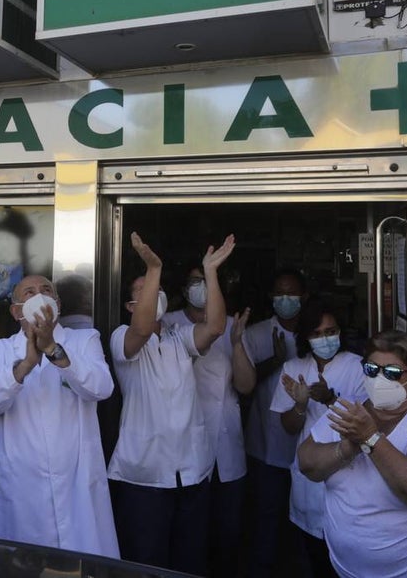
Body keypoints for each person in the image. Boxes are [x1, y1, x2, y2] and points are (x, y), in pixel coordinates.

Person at [108, 233, 234, 575]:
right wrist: (153, 268)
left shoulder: (180, 340)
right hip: (144, 479)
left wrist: (210, 272)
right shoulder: (122, 338)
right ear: (131, 306)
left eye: (159, 287)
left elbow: (217, 327)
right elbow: (143, 327)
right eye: (145, 289)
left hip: (192, 473)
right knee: (146, 564)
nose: (155, 291)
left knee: (189, 563)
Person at [297, 331, 407, 578]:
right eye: (371, 369)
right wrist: (347, 447)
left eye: (392, 373)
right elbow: (307, 464)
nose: (379, 379)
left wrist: (371, 438)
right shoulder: (348, 410)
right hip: (343, 570)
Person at [0, 274, 117, 557]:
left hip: (76, 486)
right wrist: (25, 365)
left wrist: (53, 350)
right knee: (24, 564)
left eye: (46, 290)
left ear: (57, 304)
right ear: (16, 311)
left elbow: (102, 387)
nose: (39, 295)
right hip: (22, 489)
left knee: (81, 563)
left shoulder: (85, 339)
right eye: (29, 292)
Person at [270, 301, 367, 577]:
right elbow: (288, 428)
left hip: (349, 476)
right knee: (314, 560)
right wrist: (300, 406)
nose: (325, 339)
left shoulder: (359, 367)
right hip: (309, 482)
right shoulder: (293, 367)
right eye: (317, 333)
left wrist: (330, 399)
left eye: (331, 331)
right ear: (305, 338)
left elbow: (366, 421)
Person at [165, 263, 250, 578]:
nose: (200, 287)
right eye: (194, 281)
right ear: (184, 288)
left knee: (227, 533)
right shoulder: (166, 323)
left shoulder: (231, 325)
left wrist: (239, 342)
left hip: (224, 440)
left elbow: (245, 386)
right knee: (188, 535)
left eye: (206, 280)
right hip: (181, 440)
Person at [241, 267, 307, 576]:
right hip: (265, 446)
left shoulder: (314, 334)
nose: (285, 300)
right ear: (271, 298)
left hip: (305, 447)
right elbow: (244, 385)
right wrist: (276, 361)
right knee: (265, 519)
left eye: (291, 294)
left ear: (303, 298)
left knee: (303, 521)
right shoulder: (255, 334)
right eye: (280, 294)